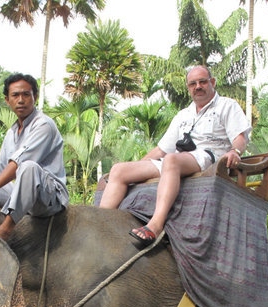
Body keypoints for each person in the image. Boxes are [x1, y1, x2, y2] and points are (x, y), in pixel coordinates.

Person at [98, 65, 251, 246]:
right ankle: (98, 227)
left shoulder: (227, 105)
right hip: (177, 161)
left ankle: (155, 225)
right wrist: (136, 167)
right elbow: (161, 150)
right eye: (193, 84)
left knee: (172, 160)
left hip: (209, 158)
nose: (198, 87)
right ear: (188, 87)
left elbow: (240, 138)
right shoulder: (183, 115)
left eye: (202, 81)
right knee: (119, 170)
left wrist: (235, 151)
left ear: (212, 82)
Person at [0, 73, 69, 239]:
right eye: (15, 95)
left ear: (35, 97)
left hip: (48, 197)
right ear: (7, 100)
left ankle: (6, 228)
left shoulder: (44, 125)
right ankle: (14, 209)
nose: (21, 100)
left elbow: (18, 164)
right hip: (22, 191)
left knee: (28, 166)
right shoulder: (11, 133)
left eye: (26, 94)